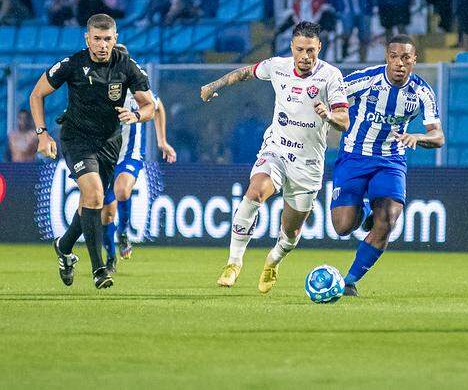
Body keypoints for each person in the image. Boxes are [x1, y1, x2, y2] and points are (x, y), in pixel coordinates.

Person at [201, 21, 349, 294]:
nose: (305, 57)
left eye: (311, 51)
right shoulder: (278, 66)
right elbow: (246, 72)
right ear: (292, 48)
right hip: (277, 148)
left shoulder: (330, 76)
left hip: (309, 163)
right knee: (255, 192)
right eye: (300, 50)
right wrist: (215, 84)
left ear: (320, 48)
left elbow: (344, 119)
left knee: (290, 233)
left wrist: (328, 115)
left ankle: (274, 259)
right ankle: (233, 263)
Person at [29, 13, 156, 289]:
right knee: (95, 195)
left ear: (116, 39)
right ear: (87, 39)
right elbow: (36, 94)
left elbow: (150, 106)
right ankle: (100, 269)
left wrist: (136, 116)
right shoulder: (73, 64)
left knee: (91, 203)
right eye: (96, 39)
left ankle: (63, 247)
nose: (102, 45)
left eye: (107, 39)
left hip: (110, 145)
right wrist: (42, 134)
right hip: (77, 139)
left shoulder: (126, 66)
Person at [330, 35, 444, 296]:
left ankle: (348, 281)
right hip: (354, 156)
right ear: (386, 57)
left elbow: (438, 136)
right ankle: (366, 204)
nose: (399, 63)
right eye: (394, 56)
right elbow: (332, 95)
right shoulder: (365, 79)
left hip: (391, 160)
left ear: (414, 60)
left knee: (388, 220)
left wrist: (418, 137)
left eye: (406, 57)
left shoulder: (422, 91)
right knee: (343, 227)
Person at [101, 44, 176, 271]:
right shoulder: (100, 86)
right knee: (107, 214)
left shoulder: (137, 87)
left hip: (130, 153)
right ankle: (110, 258)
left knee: (122, 190)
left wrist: (162, 141)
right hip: (104, 156)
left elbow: (157, 107)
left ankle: (123, 231)